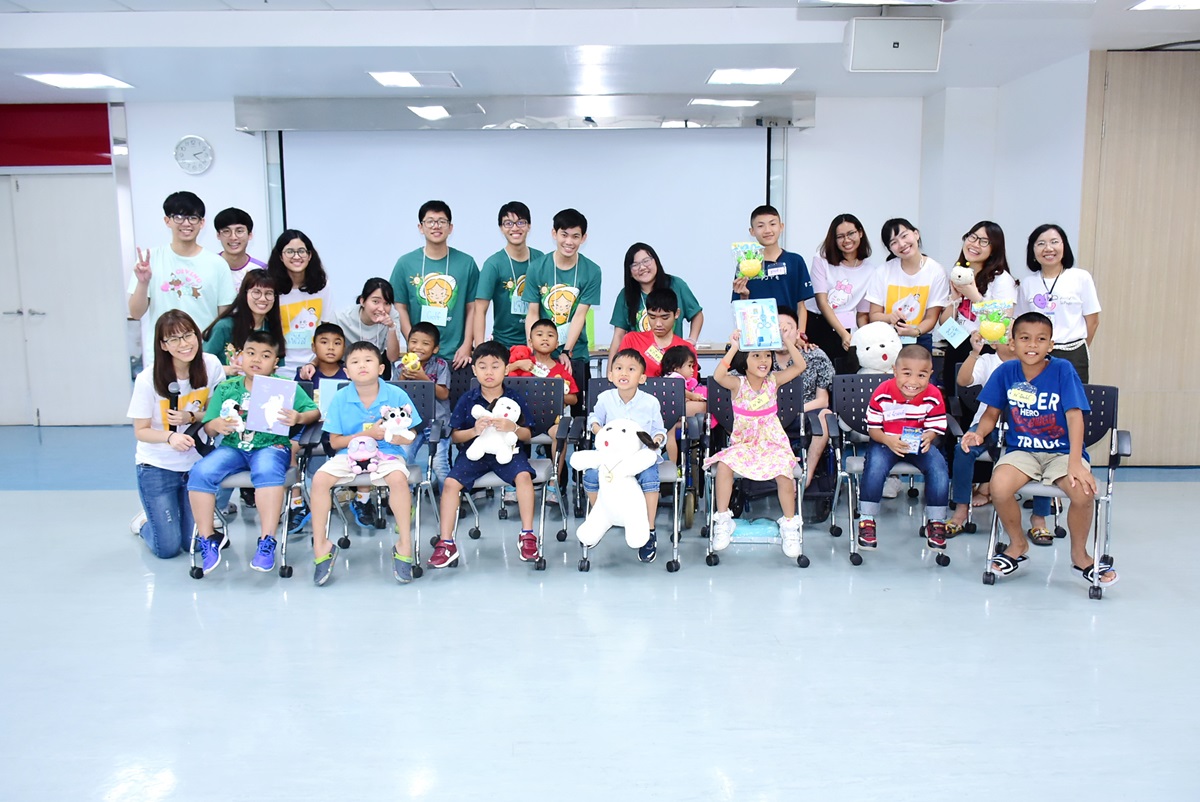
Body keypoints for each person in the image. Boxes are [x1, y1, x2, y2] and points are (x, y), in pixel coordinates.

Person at [960, 312, 1116, 586]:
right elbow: (990, 413)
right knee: (998, 487)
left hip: (1063, 452)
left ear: (1050, 345)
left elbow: (1075, 416)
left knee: (1082, 492)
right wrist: (978, 434)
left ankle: (1080, 557)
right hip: (1023, 451)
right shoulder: (1006, 372)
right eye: (1025, 339)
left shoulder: (1063, 370)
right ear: (1013, 343)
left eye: (1040, 339)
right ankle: (1017, 544)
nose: (1032, 345)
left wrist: (1076, 462)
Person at [187, 331, 320, 575]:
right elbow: (208, 426)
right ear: (240, 357)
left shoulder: (284, 387)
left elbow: (314, 412)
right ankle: (208, 539)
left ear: (275, 363)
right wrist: (215, 425)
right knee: (200, 472)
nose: (256, 359)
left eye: (265, 355)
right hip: (232, 447)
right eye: (251, 353)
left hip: (271, 445)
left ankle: (267, 540)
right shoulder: (226, 388)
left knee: (267, 470)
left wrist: (299, 417)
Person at [306, 341, 423, 586]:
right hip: (349, 455)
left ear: (381, 368)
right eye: (355, 362)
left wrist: (396, 436)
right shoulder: (340, 398)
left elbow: (410, 432)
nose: (362, 366)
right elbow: (336, 442)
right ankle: (321, 546)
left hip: (388, 453)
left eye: (368, 360)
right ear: (346, 371)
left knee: (399, 480)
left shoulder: (396, 394)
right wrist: (368, 435)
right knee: (319, 479)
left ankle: (404, 543)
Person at [428, 341, 538, 568]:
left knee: (524, 477)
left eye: (495, 366)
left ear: (506, 369)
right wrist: (474, 431)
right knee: (450, 483)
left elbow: (528, 434)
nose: (489, 372)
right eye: (483, 366)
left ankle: (527, 535)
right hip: (473, 453)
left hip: (508, 452)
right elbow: (455, 436)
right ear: (474, 370)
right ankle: (446, 543)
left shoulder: (515, 399)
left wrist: (513, 428)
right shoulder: (467, 400)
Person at [128, 310, 224, 558]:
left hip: (196, 464)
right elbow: (141, 431)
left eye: (188, 335)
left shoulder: (211, 365)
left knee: (190, 542)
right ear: (163, 345)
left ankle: (168, 518)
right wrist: (170, 437)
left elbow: (216, 412)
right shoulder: (147, 379)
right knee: (168, 548)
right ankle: (145, 523)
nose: (184, 344)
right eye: (174, 339)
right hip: (157, 466)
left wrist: (191, 417)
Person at [703, 328, 807, 558]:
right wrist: (735, 347)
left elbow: (800, 366)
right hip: (745, 444)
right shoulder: (737, 384)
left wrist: (789, 343)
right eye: (756, 356)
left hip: (772, 444)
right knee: (725, 466)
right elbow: (718, 376)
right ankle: (723, 521)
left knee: (784, 472)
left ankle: (790, 526)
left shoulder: (774, 381)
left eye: (767, 356)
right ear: (745, 361)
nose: (763, 361)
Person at [945, 332, 1054, 537]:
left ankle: (1039, 517)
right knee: (963, 449)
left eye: (1017, 336)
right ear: (994, 343)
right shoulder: (988, 360)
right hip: (987, 423)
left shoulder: (1034, 363)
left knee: (1043, 455)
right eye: (1006, 335)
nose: (1012, 339)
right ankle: (961, 510)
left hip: (1025, 427)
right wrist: (974, 353)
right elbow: (963, 380)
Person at [858, 344, 950, 551]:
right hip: (885, 441)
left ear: (930, 375)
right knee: (875, 466)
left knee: (938, 466)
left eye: (921, 375)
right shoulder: (882, 392)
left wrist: (929, 435)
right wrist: (889, 440)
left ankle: (936, 522)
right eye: (907, 374)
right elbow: (873, 430)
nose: (913, 382)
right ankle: (867, 519)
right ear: (895, 370)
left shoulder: (933, 395)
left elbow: (935, 426)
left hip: (917, 443)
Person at [127, 191, 234, 365]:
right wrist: (143, 282)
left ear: (202, 223)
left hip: (204, 356)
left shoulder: (217, 264)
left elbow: (225, 318)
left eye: (193, 218)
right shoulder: (150, 259)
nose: (186, 223)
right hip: (162, 358)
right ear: (167, 221)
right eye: (178, 217)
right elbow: (136, 313)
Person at [585, 349, 668, 563]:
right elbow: (594, 417)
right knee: (591, 477)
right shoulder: (605, 398)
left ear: (641, 377)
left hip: (640, 456)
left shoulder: (650, 402)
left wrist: (657, 441)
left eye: (631, 369)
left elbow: (660, 430)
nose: (624, 373)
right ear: (610, 375)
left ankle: (649, 530)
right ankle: (601, 518)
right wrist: (596, 428)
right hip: (610, 458)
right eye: (619, 368)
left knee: (650, 479)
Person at [522, 208, 602, 412]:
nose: (569, 241)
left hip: (576, 351)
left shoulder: (592, 270)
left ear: (583, 238)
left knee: (578, 408)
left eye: (575, 236)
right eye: (564, 235)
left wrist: (567, 350)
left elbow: (580, 315)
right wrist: (532, 348)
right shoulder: (537, 268)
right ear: (554, 234)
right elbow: (532, 312)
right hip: (541, 350)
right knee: (539, 408)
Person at [390, 200, 478, 368]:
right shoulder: (405, 263)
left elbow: (472, 308)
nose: (436, 226)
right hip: (418, 357)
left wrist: (467, 344)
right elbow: (399, 307)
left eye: (442, 222)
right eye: (430, 221)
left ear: (450, 228)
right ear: (420, 227)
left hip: (456, 355)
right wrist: (413, 343)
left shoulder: (467, 263)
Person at [937, 221, 1018, 393]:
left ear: (994, 249)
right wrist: (955, 300)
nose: (974, 244)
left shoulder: (1002, 280)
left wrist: (974, 296)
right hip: (957, 344)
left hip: (986, 350)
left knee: (980, 405)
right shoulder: (958, 273)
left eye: (983, 241)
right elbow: (945, 324)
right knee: (955, 403)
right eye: (972, 237)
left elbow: (1003, 323)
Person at [506, 319, 580, 501]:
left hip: (550, 420)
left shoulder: (562, 370)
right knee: (508, 430)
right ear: (530, 341)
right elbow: (500, 375)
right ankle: (512, 481)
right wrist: (517, 365)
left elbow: (574, 398)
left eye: (550, 335)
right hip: (523, 419)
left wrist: (554, 394)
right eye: (539, 335)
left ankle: (554, 483)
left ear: (557, 343)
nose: (545, 339)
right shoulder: (523, 364)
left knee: (560, 433)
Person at [1016, 224, 1100, 382]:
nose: (1048, 248)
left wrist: (1077, 346)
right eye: (1041, 244)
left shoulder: (1081, 277)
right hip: (1036, 354)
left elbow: (1093, 321)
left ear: (1064, 246)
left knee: (1072, 403)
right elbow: (1022, 323)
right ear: (1032, 251)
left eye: (1054, 242)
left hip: (1073, 352)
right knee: (1035, 402)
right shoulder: (1027, 283)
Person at [606, 242, 704, 364]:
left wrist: (691, 341)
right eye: (635, 265)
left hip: (673, 362)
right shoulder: (626, 295)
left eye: (646, 261)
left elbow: (697, 314)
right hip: (637, 365)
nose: (642, 268)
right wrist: (610, 373)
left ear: (656, 261)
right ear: (629, 271)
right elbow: (618, 336)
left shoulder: (676, 285)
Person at [865, 217, 949, 353]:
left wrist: (916, 331)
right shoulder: (882, 272)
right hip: (886, 340)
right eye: (894, 242)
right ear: (890, 249)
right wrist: (889, 317)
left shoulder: (936, 271)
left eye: (904, 236)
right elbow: (874, 315)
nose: (902, 244)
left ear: (916, 234)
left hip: (920, 338)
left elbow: (931, 317)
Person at [776, 306, 835, 489]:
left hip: (806, 413)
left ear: (798, 333)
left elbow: (823, 400)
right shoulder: (759, 359)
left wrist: (796, 409)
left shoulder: (814, 356)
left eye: (788, 327)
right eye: (778, 328)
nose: (783, 331)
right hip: (769, 417)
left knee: (825, 415)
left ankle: (806, 476)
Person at [731, 204, 814, 332]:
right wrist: (743, 295)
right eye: (760, 226)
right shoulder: (746, 265)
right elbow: (741, 306)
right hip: (758, 333)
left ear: (781, 227)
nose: (767, 230)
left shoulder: (795, 261)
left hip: (789, 335)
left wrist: (800, 334)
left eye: (772, 224)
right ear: (752, 231)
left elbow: (801, 306)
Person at [806, 213, 876, 362]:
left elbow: (862, 314)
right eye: (840, 236)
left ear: (860, 233)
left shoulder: (870, 270)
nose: (847, 240)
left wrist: (866, 339)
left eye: (851, 233)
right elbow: (822, 302)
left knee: (840, 377)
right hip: (817, 322)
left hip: (845, 327)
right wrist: (842, 333)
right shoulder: (821, 259)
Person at [474, 201, 544, 350]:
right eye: (508, 223)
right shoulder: (493, 264)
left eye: (520, 222)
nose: (515, 228)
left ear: (529, 226)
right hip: (504, 346)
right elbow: (480, 309)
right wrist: (479, 350)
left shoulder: (541, 259)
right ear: (501, 228)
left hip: (539, 345)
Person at [266, 229, 331, 376]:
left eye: (301, 251)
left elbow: (326, 327)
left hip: (313, 364)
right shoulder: (271, 287)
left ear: (310, 255)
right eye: (289, 251)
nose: (296, 256)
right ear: (281, 257)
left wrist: (315, 362)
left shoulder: (322, 285)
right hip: (279, 366)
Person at [398, 322, 452, 493]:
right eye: (413, 342)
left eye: (425, 343)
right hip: (410, 423)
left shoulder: (441, 365)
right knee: (403, 458)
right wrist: (403, 375)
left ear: (435, 348)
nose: (418, 347)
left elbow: (443, 394)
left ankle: (449, 500)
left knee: (439, 464)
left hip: (437, 422)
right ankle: (407, 498)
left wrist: (423, 377)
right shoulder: (399, 366)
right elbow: (395, 394)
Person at [202, 268, 284, 377]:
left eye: (268, 293)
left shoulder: (273, 328)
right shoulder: (225, 326)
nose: (263, 299)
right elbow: (201, 364)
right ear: (245, 294)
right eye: (256, 292)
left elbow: (276, 368)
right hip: (226, 391)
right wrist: (229, 370)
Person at [617, 288, 698, 378]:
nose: (658, 324)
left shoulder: (686, 349)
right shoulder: (632, 340)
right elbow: (620, 374)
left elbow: (691, 385)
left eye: (665, 317)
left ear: (677, 314)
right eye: (652, 317)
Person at [326, 278, 402, 371]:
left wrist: (391, 327)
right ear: (362, 301)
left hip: (375, 366)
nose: (381, 309)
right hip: (345, 366)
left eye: (387, 303)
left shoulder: (392, 316)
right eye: (375, 302)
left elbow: (393, 357)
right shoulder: (341, 318)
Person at [659, 344, 707, 468]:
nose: (692, 370)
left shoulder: (672, 378)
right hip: (670, 412)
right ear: (675, 367)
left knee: (671, 433)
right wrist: (692, 396)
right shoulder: (675, 378)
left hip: (669, 413)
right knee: (671, 435)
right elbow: (679, 390)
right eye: (689, 366)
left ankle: (673, 465)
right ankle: (673, 466)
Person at [213, 207, 266, 293]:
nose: (233, 237)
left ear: (250, 235)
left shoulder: (261, 269)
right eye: (226, 231)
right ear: (218, 235)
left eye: (239, 231)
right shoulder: (208, 266)